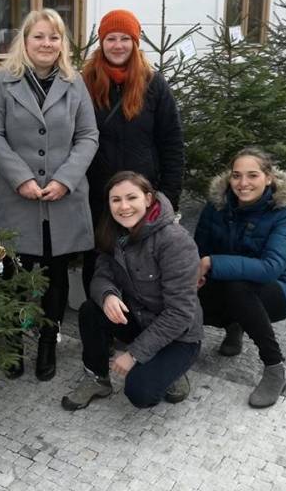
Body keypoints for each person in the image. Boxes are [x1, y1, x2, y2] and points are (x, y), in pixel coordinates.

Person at [0, 8, 99, 381]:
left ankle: (48, 342)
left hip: (62, 198)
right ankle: (13, 343)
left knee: (55, 276)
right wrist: (21, 179)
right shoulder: (3, 82)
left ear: (62, 43)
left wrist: (65, 179)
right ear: (25, 40)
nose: (47, 43)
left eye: (54, 37)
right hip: (17, 198)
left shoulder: (74, 83)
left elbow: (88, 136)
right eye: (39, 36)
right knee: (12, 274)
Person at [62, 171, 202, 410]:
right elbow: (101, 275)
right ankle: (97, 378)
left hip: (179, 334)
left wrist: (133, 354)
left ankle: (173, 369)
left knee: (141, 393)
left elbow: (180, 313)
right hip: (139, 319)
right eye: (116, 200)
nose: (124, 206)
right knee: (90, 310)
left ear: (148, 199)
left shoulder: (175, 241)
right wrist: (108, 296)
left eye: (131, 198)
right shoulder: (114, 233)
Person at [81, 9, 185, 296]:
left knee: (142, 266)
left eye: (125, 38)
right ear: (101, 42)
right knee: (97, 262)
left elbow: (172, 143)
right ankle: (99, 315)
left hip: (141, 196)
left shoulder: (154, 84)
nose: (118, 45)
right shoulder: (84, 83)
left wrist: (168, 197)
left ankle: (138, 319)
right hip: (97, 198)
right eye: (111, 38)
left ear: (135, 42)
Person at [194, 147, 286, 408]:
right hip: (227, 284)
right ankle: (230, 327)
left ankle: (275, 367)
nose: (243, 183)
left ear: (268, 177)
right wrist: (194, 275)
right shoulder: (215, 207)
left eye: (252, 175)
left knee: (238, 287)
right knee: (186, 294)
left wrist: (211, 262)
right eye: (236, 175)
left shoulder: (285, 214)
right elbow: (198, 250)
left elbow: (270, 268)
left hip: (277, 289)